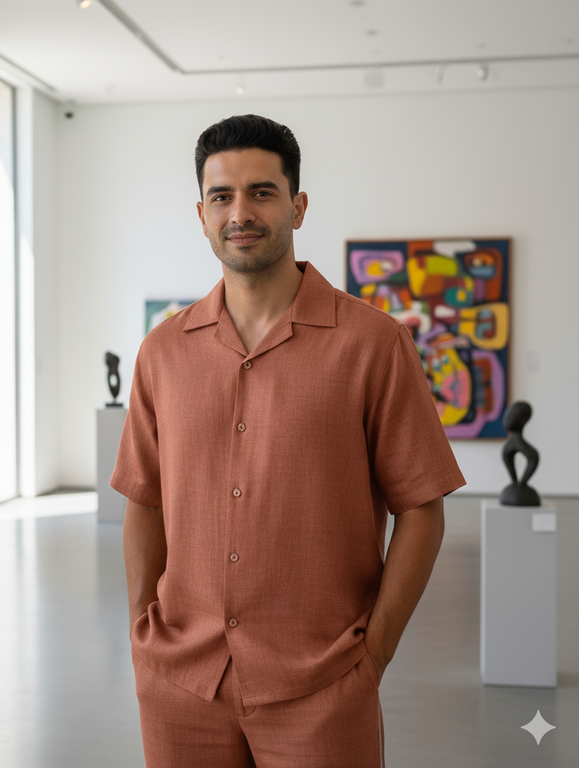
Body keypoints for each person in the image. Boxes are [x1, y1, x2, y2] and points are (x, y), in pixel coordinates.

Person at [111, 114, 466, 768]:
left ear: (297, 206)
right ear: (200, 213)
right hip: (181, 682)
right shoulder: (161, 353)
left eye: (261, 192)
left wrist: (372, 654)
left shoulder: (372, 343)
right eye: (221, 196)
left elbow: (421, 507)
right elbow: (144, 499)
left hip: (321, 683)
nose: (239, 212)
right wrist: (142, 631)